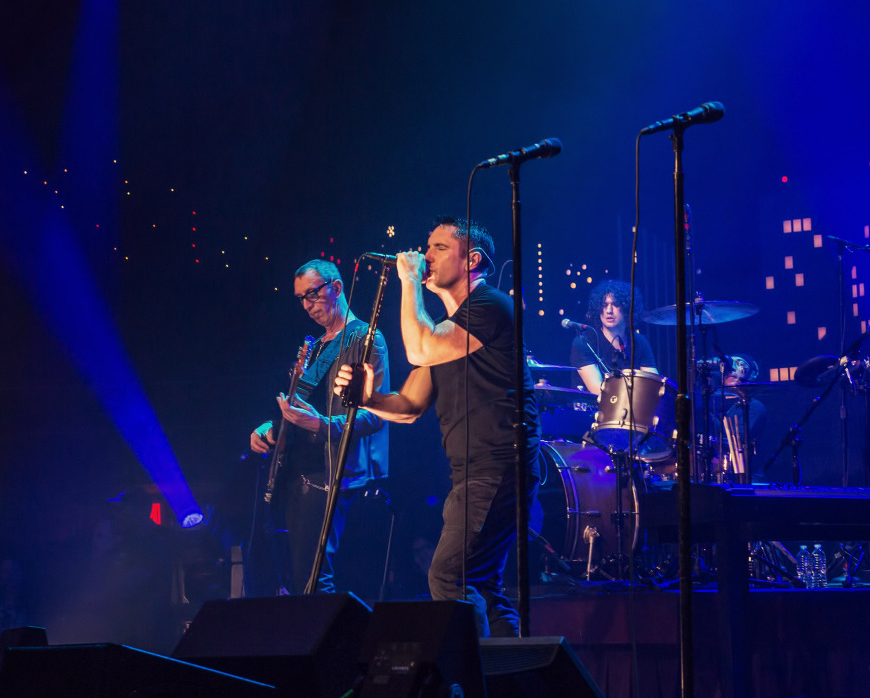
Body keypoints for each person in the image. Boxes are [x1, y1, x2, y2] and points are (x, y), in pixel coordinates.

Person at [335, 217, 538, 638]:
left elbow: (418, 346)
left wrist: (408, 282)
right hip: (471, 473)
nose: (424, 256)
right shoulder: (451, 331)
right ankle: (515, 684)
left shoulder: (491, 305)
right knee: (480, 583)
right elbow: (409, 406)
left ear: (472, 260)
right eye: (425, 248)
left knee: (448, 577)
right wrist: (368, 397)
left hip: (498, 465)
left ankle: (477, 690)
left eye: (439, 248)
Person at [249, 259, 389, 594]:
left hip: (331, 473)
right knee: (295, 578)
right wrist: (270, 427)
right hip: (298, 471)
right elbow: (299, 409)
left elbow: (377, 415)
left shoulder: (365, 339)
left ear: (337, 288)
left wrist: (322, 424)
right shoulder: (316, 345)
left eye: (312, 295)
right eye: (300, 299)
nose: (307, 305)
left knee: (312, 580)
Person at [569, 280, 658, 395]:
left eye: (615, 305)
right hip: (594, 410)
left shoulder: (640, 342)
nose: (609, 311)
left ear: (627, 309)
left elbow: (654, 385)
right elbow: (599, 390)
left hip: (631, 408)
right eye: (604, 305)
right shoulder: (584, 341)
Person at [712, 353, 767, 478]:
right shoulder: (716, 403)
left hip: (747, 477)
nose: (731, 374)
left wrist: (709, 417)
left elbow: (736, 440)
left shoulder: (753, 407)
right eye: (729, 373)